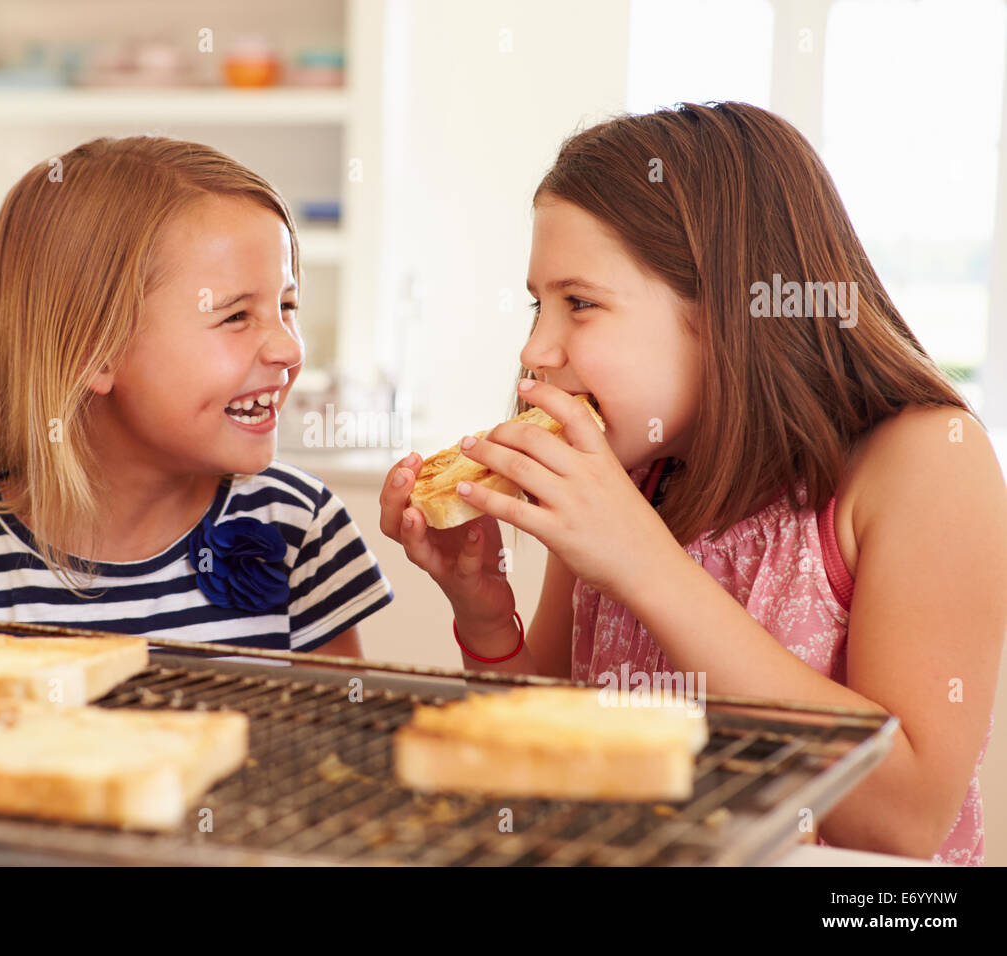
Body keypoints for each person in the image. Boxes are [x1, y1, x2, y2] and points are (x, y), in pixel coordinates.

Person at [380, 102, 1004, 864]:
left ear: (729, 312)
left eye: (580, 303)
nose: (535, 349)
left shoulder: (925, 459)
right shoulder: (630, 471)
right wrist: (485, 615)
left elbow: (899, 822)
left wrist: (645, 565)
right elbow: (549, 759)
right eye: (536, 303)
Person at [0, 135, 392, 658]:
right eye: (237, 315)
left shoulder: (298, 526)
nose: (290, 350)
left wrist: (483, 621)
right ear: (92, 352)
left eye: (287, 307)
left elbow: (346, 754)